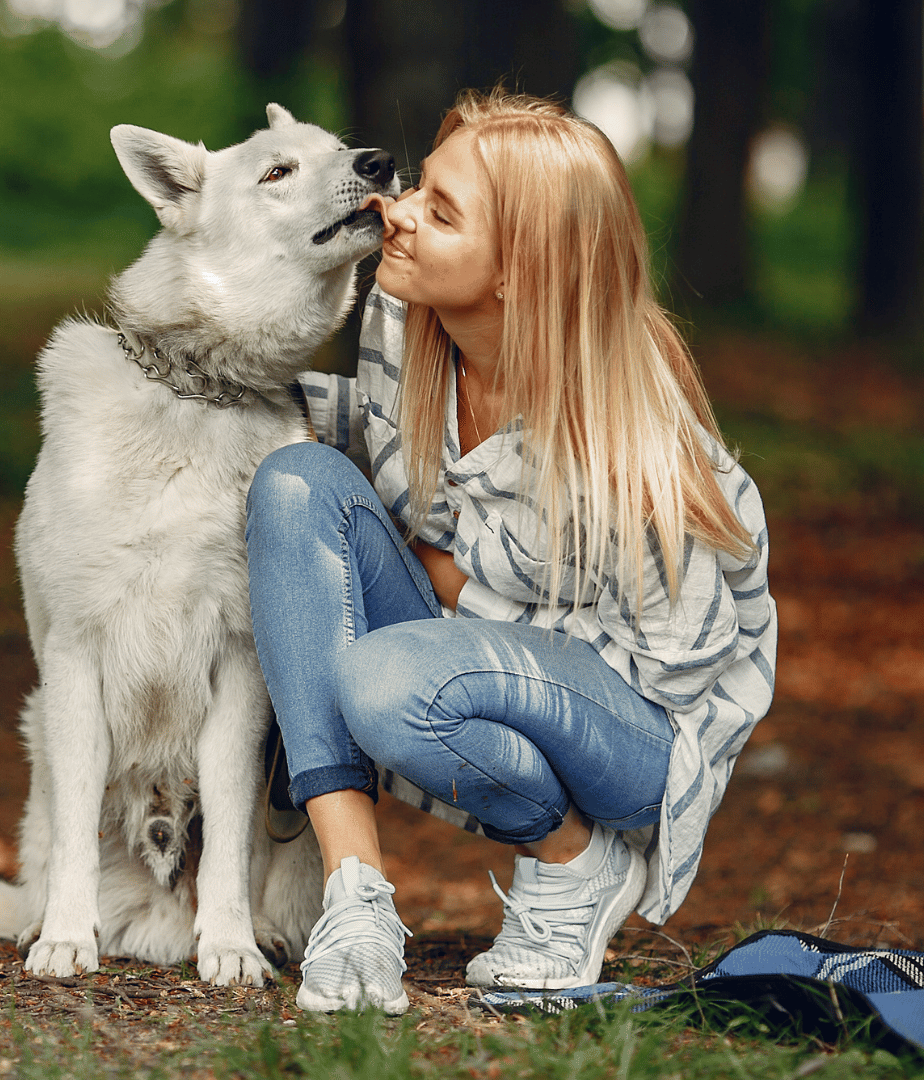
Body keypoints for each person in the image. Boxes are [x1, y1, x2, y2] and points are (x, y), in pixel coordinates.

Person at [246, 90, 777, 1014]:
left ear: (520, 276)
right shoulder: (402, 322)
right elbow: (360, 463)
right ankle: (357, 899)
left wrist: (435, 585)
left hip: (642, 732)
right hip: (479, 660)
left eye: (441, 215)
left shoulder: (622, 428)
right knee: (293, 486)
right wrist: (207, 397)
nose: (395, 211)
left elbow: (679, 671)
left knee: (386, 675)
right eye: (423, 188)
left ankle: (575, 860)